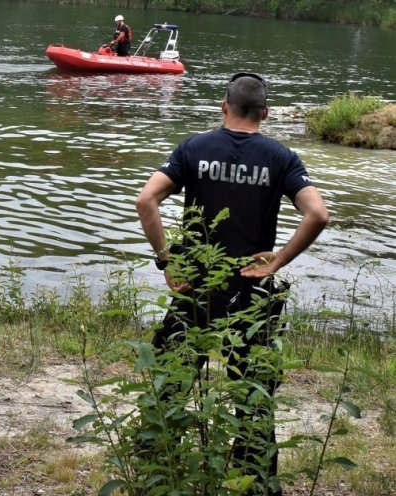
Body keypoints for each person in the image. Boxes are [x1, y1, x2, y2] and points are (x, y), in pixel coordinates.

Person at [135, 73, 329, 494]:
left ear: (224, 106)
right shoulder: (281, 157)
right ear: (265, 113)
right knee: (254, 388)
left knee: (171, 376)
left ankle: (156, 466)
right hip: (250, 288)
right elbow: (318, 214)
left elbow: (146, 199)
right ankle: (257, 481)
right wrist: (276, 261)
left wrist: (168, 259)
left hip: (196, 286)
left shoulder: (194, 148)